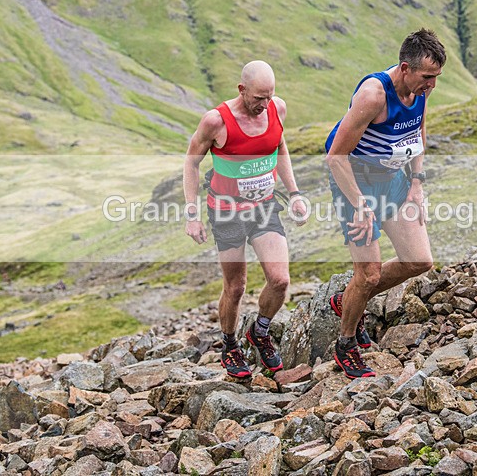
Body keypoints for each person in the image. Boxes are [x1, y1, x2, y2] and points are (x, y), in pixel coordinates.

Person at [324, 29, 445, 378]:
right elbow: (335, 157)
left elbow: (417, 132)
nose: (432, 86)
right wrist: (361, 205)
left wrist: (417, 183)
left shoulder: (420, 89)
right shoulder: (374, 95)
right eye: (427, 78)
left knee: (419, 260)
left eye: (436, 78)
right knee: (369, 274)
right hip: (354, 182)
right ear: (405, 67)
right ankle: (346, 343)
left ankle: (347, 299)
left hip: (393, 180)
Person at [184, 60, 308, 380]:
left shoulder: (276, 109)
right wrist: (192, 214)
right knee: (236, 287)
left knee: (280, 281)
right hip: (226, 211)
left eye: (269, 97)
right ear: (242, 90)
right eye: (258, 98)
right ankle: (229, 343)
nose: (264, 105)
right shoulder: (216, 121)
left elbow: (279, 147)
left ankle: (260, 331)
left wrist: (294, 193)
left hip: (264, 207)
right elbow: (191, 162)